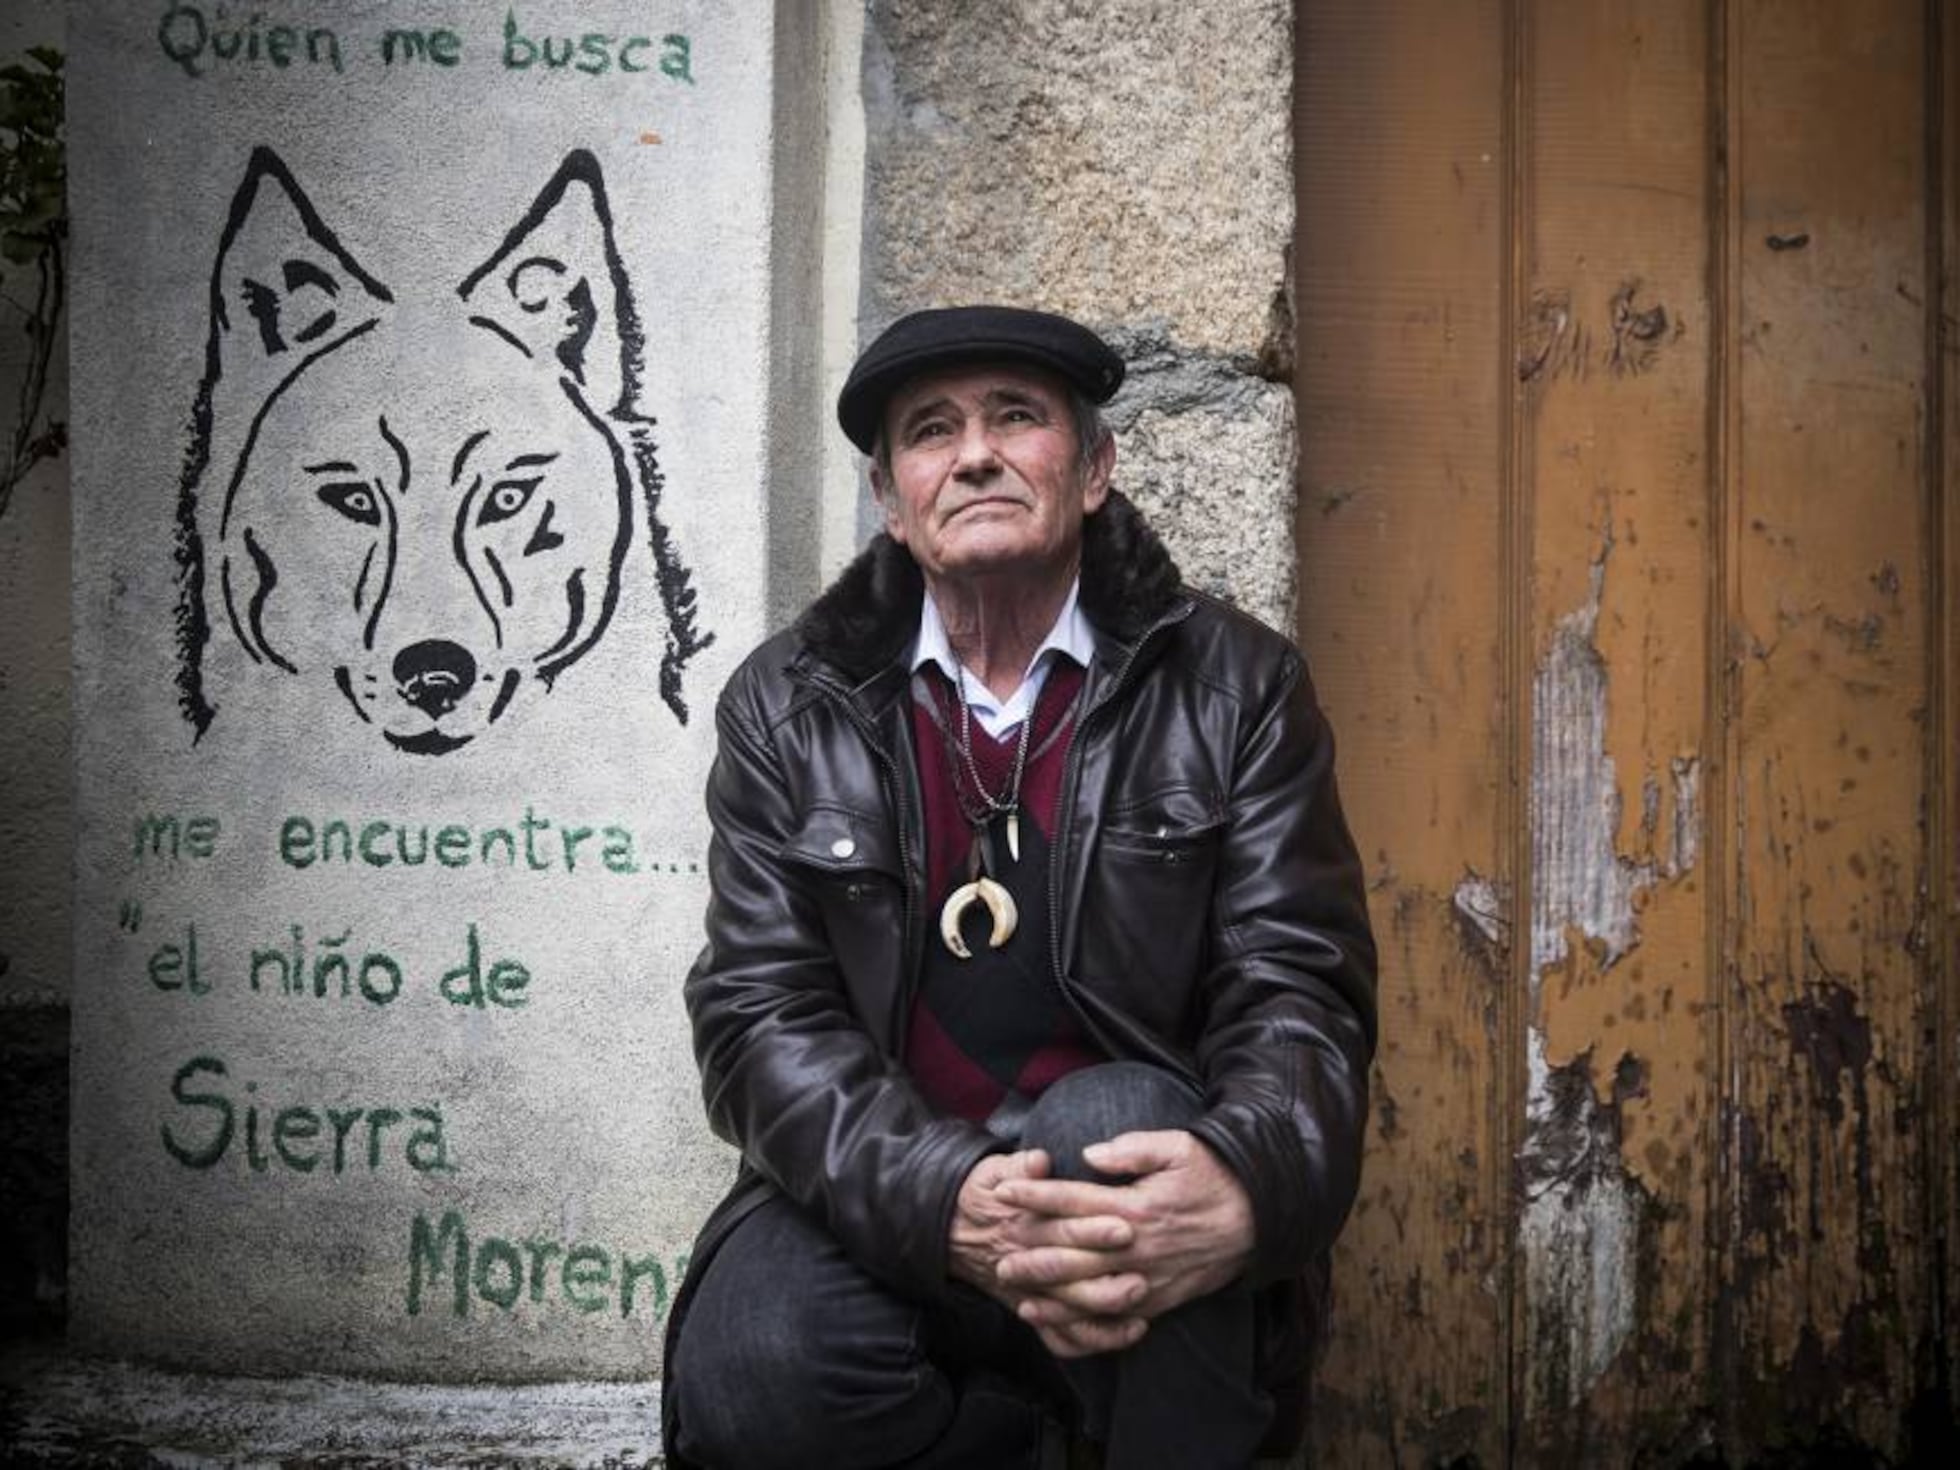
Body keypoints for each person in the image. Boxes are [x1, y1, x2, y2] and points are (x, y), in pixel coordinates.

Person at [663, 305, 1377, 1469]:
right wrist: (949, 1198)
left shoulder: (1235, 688)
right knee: (754, 1364)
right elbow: (757, 1017)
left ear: (1093, 468)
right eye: (931, 432)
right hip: (893, 1196)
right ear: (894, 502)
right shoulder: (786, 708)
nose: (976, 453)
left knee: (1114, 1124)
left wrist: (1248, 1174)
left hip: (1128, 1197)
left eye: (1016, 418)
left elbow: (1298, 989)